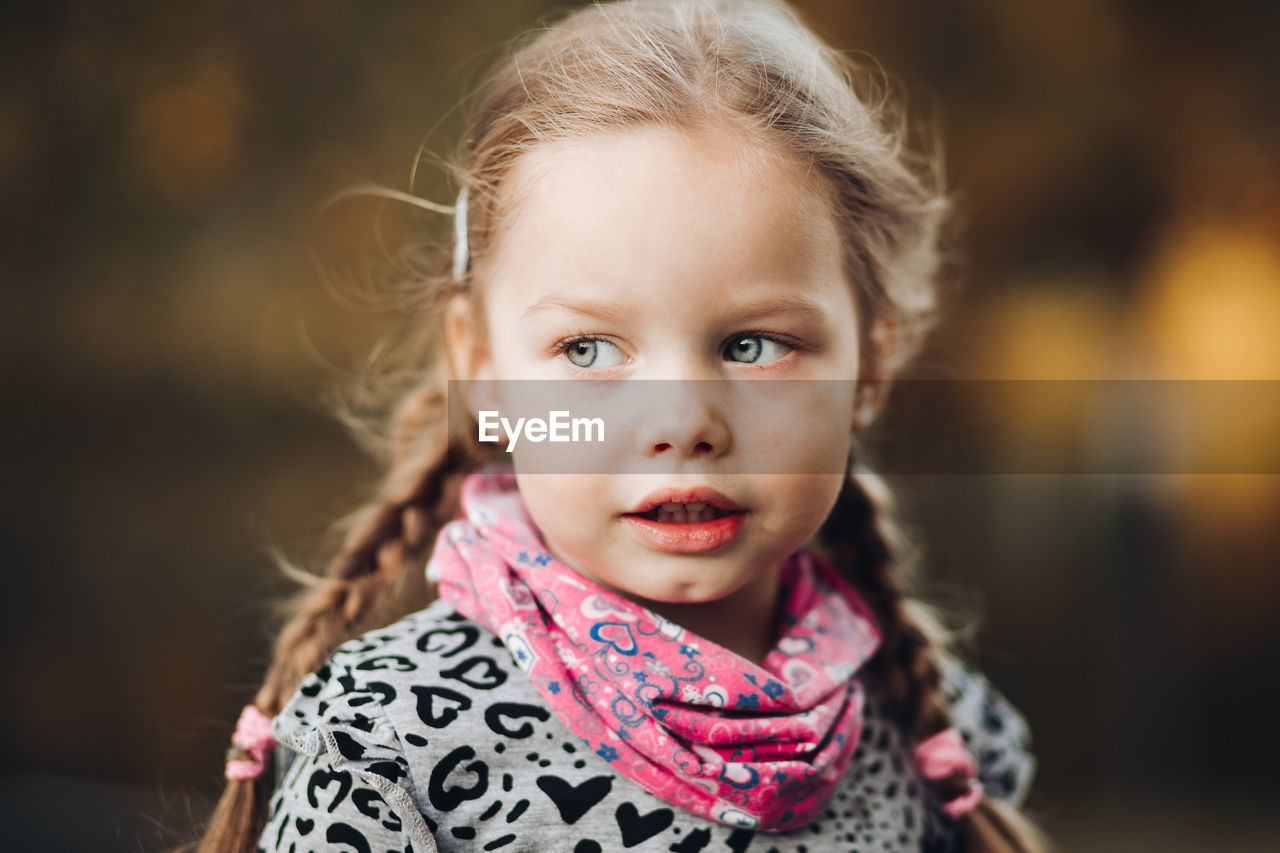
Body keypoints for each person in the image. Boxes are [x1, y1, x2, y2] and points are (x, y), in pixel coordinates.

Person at [199, 1, 1049, 850]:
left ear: (869, 360)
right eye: (590, 349)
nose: (682, 424)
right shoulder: (389, 740)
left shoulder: (931, 726)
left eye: (753, 345)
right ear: (483, 369)